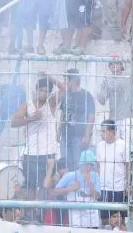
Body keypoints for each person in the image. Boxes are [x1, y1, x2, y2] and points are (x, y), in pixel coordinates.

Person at [11, 78, 60, 223]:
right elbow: (14, 122)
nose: (44, 94)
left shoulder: (51, 104)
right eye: (42, 90)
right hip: (31, 153)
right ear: (36, 91)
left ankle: (38, 215)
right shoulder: (27, 106)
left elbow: (63, 89)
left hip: (48, 152)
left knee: (44, 186)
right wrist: (32, 118)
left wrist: (50, 77)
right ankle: (28, 214)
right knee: (30, 186)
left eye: (47, 91)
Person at [52, 149, 102, 228]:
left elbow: (97, 196)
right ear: (81, 164)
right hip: (76, 216)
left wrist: (89, 182)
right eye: (86, 164)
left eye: (90, 164)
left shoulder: (95, 176)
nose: (88, 167)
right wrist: (70, 189)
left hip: (91, 215)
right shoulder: (70, 175)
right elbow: (54, 191)